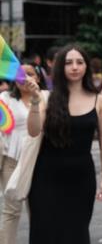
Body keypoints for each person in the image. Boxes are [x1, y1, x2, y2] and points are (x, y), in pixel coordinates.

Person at [27, 44, 102, 244]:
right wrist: (33, 101)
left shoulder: (99, 100)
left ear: (86, 66)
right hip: (46, 177)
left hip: (82, 178)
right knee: (45, 232)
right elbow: (33, 131)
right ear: (60, 68)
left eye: (79, 62)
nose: (74, 67)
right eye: (68, 63)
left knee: (76, 233)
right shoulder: (46, 97)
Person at [0, 60, 48, 244]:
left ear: (38, 78)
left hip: (39, 162)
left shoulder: (46, 97)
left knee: (38, 209)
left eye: (29, 74)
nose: (24, 78)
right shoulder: (5, 98)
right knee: (11, 210)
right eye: (20, 74)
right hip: (12, 161)